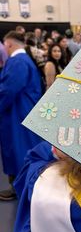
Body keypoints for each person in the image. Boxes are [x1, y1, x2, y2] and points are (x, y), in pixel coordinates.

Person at [0, 31, 42, 200]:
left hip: (18, 114)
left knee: (19, 150)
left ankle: (20, 189)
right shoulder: (24, 61)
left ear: (9, 44)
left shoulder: (18, 62)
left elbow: (8, 90)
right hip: (22, 111)